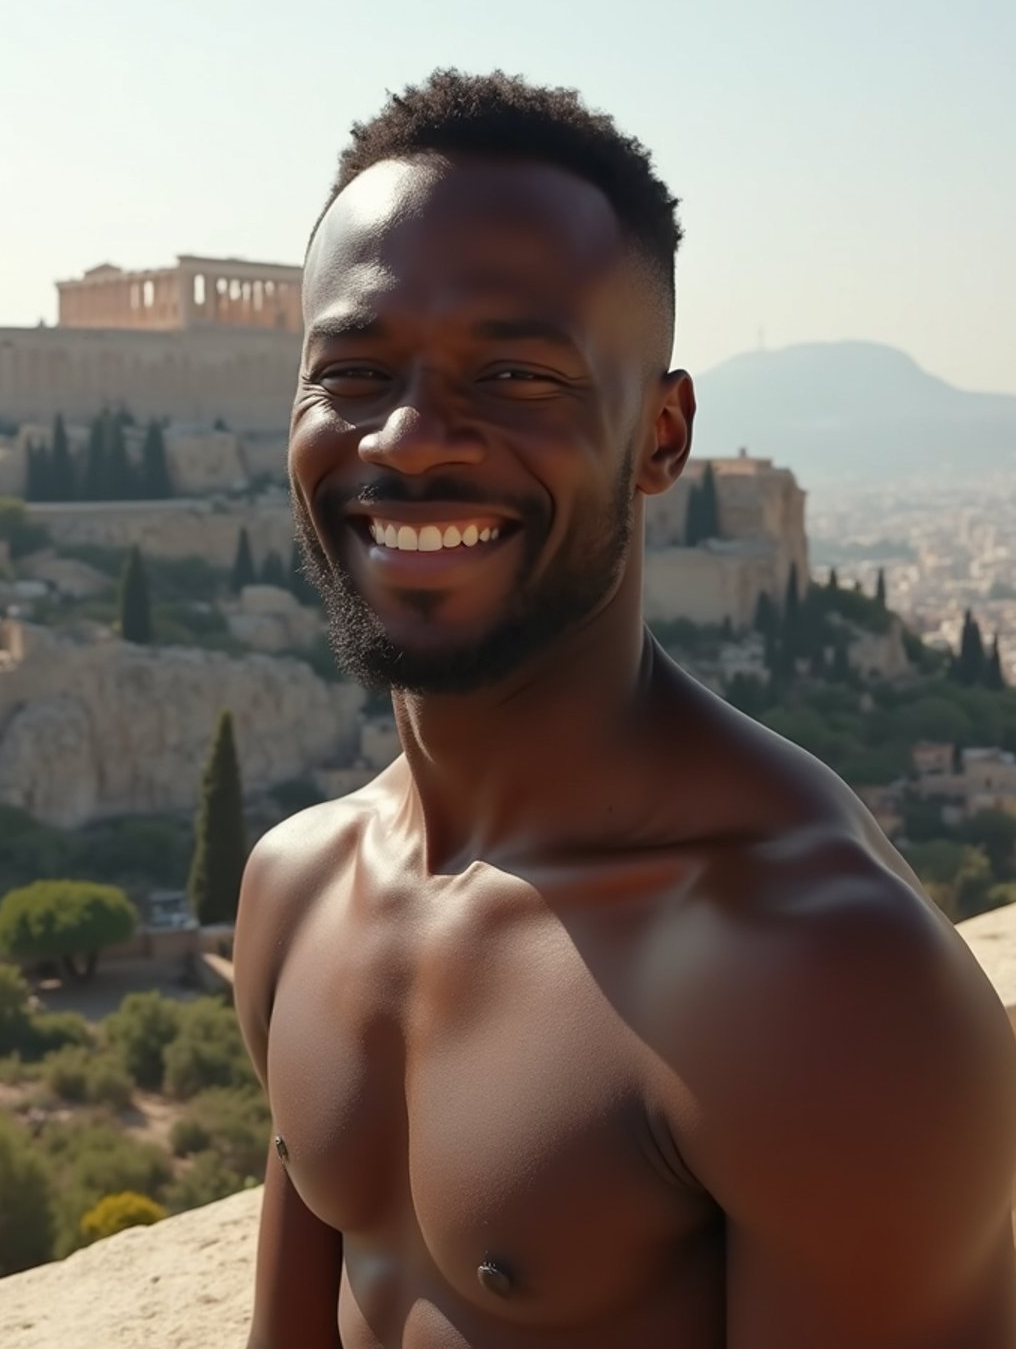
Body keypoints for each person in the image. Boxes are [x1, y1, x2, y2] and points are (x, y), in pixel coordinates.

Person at [233, 70, 1016, 1349]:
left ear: (660, 437)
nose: (413, 438)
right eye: (356, 371)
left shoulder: (819, 982)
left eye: (514, 374)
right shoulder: (297, 890)